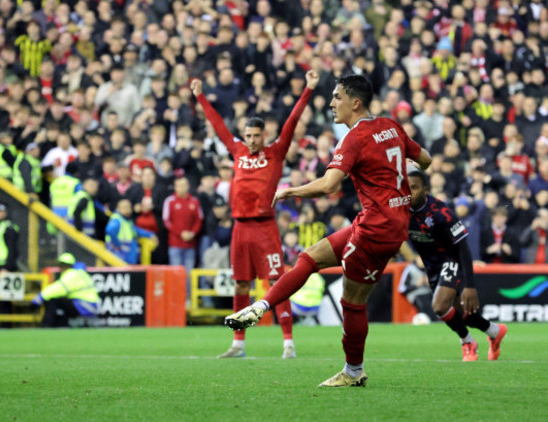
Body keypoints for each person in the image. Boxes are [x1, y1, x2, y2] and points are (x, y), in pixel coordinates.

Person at [224, 74, 432, 386]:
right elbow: (425, 161)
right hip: (386, 223)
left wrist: (291, 191)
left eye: (337, 97)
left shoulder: (354, 138)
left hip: (376, 229)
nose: (332, 103)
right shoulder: (392, 126)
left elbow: (329, 185)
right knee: (310, 257)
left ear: (355, 102)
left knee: (352, 303)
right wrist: (398, 186)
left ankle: (352, 371)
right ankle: (263, 304)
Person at [192, 69, 320, 360]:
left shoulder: (275, 152)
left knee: (276, 282)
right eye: (247, 135)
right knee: (241, 284)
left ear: (265, 135)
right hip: (240, 228)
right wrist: (200, 95)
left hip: (265, 227)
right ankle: (238, 343)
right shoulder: (236, 150)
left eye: (255, 135)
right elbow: (219, 126)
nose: (250, 140)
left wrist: (309, 90)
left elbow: (292, 121)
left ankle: (288, 342)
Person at [407, 169, 507, 361]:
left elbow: (463, 248)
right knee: (460, 313)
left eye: (415, 188)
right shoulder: (401, 211)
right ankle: (494, 331)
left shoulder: (441, 212)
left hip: (451, 260)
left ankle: (468, 342)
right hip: (432, 266)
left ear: (426, 189)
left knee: (439, 307)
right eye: (406, 188)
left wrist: (469, 285)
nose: (410, 192)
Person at [32, 253, 99, 327]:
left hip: (84, 305)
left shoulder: (71, 274)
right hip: (88, 305)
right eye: (61, 265)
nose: (61, 268)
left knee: (53, 301)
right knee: (62, 303)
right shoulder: (80, 272)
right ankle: (61, 325)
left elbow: (57, 289)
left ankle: (46, 326)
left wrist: (39, 298)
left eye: (63, 265)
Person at [105, 198, 158, 264]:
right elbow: (110, 230)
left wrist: (150, 234)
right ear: (118, 209)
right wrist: (118, 244)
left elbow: (136, 231)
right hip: (119, 258)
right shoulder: (117, 220)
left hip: (127, 258)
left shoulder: (126, 221)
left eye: (129, 207)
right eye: (124, 207)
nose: (127, 209)